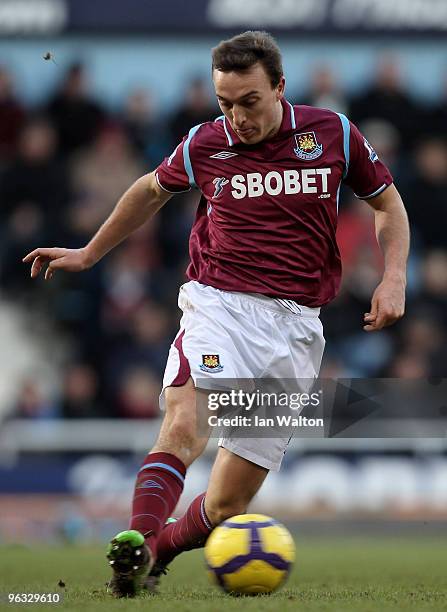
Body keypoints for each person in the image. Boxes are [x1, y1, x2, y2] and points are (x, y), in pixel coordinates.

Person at [23, 31, 409, 597]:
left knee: (228, 502)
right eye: (224, 103)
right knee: (184, 424)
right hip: (219, 305)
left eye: (248, 102)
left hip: (298, 329)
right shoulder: (205, 144)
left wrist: (393, 275)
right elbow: (148, 191)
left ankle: (154, 555)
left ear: (279, 87)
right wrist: (89, 252)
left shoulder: (333, 135)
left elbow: (388, 204)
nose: (236, 118)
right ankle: (134, 541)